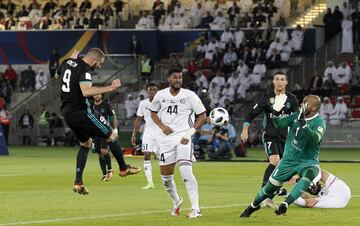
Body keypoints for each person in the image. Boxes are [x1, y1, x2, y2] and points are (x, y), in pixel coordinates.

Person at [59, 48, 140, 195]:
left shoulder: (67, 62)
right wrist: (110, 87)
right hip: (82, 112)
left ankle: (78, 183)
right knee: (111, 135)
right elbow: (86, 91)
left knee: (86, 143)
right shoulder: (85, 69)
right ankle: (123, 168)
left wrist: (70, 61)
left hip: (67, 113)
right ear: (93, 60)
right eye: (100, 63)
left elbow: (57, 75)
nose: (100, 66)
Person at [240, 95, 326, 217]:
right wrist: (275, 113)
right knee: (269, 189)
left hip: (308, 161)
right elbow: (279, 124)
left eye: (305, 102)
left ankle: (285, 204)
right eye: (302, 102)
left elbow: (315, 139)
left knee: (311, 173)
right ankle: (252, 207)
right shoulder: (297, 115)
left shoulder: (319, 122)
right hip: (288, 160)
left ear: (314, 107)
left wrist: (303, 124)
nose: (302, 104)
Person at [149, 68, 207, 218]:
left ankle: (196, 209)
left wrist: (190, 133)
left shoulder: (190, 95)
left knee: (186, 171)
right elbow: (153, 112)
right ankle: (177, 201)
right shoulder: (160, 95)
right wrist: (162, 127)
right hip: (165, 140)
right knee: (166, 179)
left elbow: (202, 116)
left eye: (180, 78)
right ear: (169, 79)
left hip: (183, 137)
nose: (178, 80)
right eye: (175, 78)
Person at [240, 72, 299, 207]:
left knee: (283, 168)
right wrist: (245, 130)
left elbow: (297, 118)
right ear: (273, 82)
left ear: (286, 82)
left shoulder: (292, 99)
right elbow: (250, 115)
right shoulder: (266, 99)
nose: (279, 82)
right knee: (275, 161)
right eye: (277, 79)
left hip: (286, 139)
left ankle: (269, 196)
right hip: (270, 136)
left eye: (282, 79)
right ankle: (264, 195)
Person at [132, 83, 158, 189]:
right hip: (148, 132)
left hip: (161, 132)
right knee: (146, 154)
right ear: (147, 91)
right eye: (150, 90)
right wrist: (134, 134)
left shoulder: (162, 102)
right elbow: (138, 119)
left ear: (157, 91)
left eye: (154, 90)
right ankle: (150, 183)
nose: (152, 91)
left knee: (163, 157)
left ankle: (167, 179)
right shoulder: (143, 103)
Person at [92, 94, 116, 181]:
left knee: (104, 150)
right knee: (99, 153)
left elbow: (113, 117)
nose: (97, 96)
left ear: (102, 96)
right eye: (95, 95)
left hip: (105, 131)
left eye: (99, 94)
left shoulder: (106, 106)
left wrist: (115, 129)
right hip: (94, 133)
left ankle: (110, 170)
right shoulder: (90, 106)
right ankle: (104, 174)